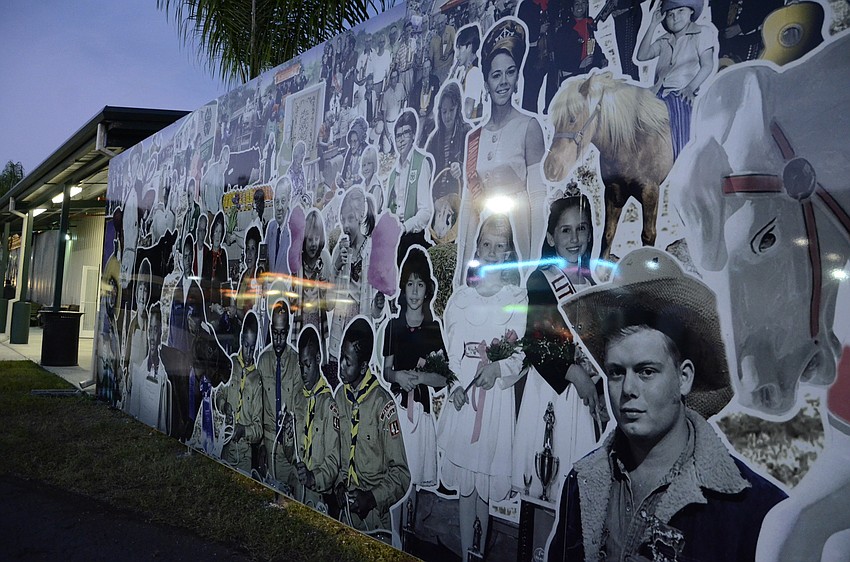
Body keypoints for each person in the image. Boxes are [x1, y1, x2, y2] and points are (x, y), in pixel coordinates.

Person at [547, 247, 787, 561]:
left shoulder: (753, 510)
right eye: (616, 373)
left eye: (647, 371)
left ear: (684, 378)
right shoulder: (581, 483)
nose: (628, 389)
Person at [436, 214, 528, 558]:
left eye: (499, 247)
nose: (492, 252)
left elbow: (521, 354)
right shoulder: (460, 300)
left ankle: (479, 549)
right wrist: (456, 384)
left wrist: (500, 368)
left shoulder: (517, 297)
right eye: (486, 245)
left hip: (495, 401)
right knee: (465, 482)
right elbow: (451, 350)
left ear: (508, 253)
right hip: (465, 399)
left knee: (486, 475)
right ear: (477, 248)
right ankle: (465, 553)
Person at [512, 193, 601, 502]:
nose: (575, 238)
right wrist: (573, 372)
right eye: (566, 230)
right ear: (551, 237)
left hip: (586, 394)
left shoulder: (595, 283)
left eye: (582, 228)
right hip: (552, 390)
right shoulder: (542, 279)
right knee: (545, 483)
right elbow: (534, 343)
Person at [456, 18, 547, 285]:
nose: (503, 82)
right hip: (484, 251)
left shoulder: (529, 126)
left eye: (510, 72)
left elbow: (538, 200)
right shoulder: (474, 137)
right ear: (486, 83)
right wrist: (461, 275)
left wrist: (532, 265)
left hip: (518, 242)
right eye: (496, 75)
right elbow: (469, 208)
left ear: (517, 77)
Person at [335, 317, 411, 533]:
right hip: (346, 516)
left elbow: (401, 474)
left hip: (374, 519)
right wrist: (339, 484)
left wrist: (371, 498)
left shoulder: (382, 405)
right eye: (341, 357)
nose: (341, 366)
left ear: (363, 367)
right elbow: (341, 454)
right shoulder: (341, 396)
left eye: (347, 362)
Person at [382, 247, 449, 489]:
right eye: (410, 284)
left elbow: (443, 378)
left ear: (427, 290)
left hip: (421, 411)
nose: (414, 291)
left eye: (420, 285)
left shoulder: (434, 330)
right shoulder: (393, 327)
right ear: (403, 288)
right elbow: (386, 371)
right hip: (397, 412)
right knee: (395, 477)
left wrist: (420, 378)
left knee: (415, 478)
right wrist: (398, 375)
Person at [636, 0, 717, 160]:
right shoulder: (665, 39)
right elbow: (642, 55)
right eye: (670, 14)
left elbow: (707, 65)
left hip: (681, 93)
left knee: (679, 124)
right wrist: (652, 25)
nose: (675, 17)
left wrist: (690, 88)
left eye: (680, 11)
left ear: (691, 11)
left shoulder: (702, 33)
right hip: (658, 93)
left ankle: (681, 161)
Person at [281, 326, 341, 509]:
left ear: (318, 359)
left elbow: (333, 461)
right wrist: (288, 437)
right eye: (301, 366)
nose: (304, 372)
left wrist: (313, 477)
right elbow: (292, 455)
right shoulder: (299, 398)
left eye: (308, 365)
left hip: (318, 497)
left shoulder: (328, 405)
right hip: (297, 492)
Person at [329, 188, 385, 361]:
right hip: (340, 320)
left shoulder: (373, 251)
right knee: (337, 368)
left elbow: (376, 313)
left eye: (351, 219)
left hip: (360, 322)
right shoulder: (340, 249)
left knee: (356, 368)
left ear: (361, 217)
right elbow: (328, 299)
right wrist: (336, 264)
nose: (346, 225)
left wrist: (379, 304)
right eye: (343, 219)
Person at [257, 301, 301, 486]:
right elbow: (258, 408)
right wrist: (260, 448)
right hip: (269, 444)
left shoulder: (297, 363)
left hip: (292, 446)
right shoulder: (263, 361)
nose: (278, 339)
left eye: (283, 333)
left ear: (288, 330)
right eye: (275, 333)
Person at [216, 311, 264, 474]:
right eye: (246, 346)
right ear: (241, 339)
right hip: (224, 447)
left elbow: (258, 429)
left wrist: (243, 430)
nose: (249, 353)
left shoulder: (257, 379)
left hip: (244, 455)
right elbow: (219, 395)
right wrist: (224, 406)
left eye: (252, 348)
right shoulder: (231, 365)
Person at [387, 110, 434, 262]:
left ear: (413, 135)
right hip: (394, 240)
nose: (401, 140)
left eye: (405, 133)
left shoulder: (421, 162)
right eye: (398, 135)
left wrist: (405, 228)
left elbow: (425, 212)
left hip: (412, 238)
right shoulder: (393, 173)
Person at [426, 82, 471, 207]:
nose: (448, 116)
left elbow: (477, 167)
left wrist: (461, 168)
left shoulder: (467, 132)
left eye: (451, 110)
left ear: (458, 108)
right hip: (436, 202)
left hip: (460, 202)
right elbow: (426, 170)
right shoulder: (434, 138)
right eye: (444, 111)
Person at [292, 209, 332, 348]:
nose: (313, 244)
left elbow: (328, 305)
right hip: (300, 325)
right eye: (309, 239)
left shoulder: (325, 259)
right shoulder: (298, 262)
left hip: (318, 323)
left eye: (316, 238)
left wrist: (324, 284)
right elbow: (292, 305)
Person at [450, 25, 485, 124]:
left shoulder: (474, 72)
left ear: (469, 47)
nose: (456, 55)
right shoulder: (464, 72)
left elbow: (468, 112)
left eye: (459, 49)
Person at [266, 176, 292, 277]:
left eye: (283, 201)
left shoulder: (294, 229)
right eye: (277, 202)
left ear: (289, 200)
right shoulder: (271, 227)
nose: (279, 207)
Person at [359, 145, 384, 214]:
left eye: (369, 164)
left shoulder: (376, 187)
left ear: (374, 165)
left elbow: (373, 212)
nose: (366, 168)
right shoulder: (362, 186)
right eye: (364, 165)